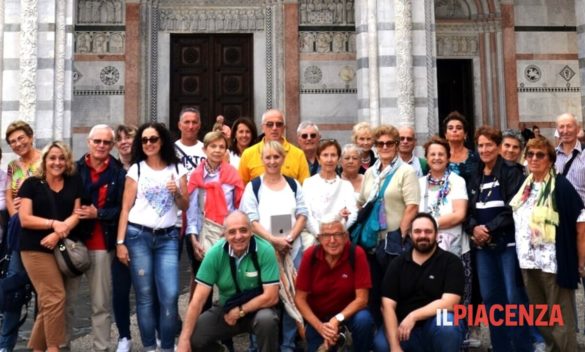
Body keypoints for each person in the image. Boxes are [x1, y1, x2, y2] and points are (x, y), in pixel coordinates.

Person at [116, 122, 188, 352]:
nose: (149, 143)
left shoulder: (177, 170)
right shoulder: (136, 170)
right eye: (144, 140)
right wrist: (120, 243)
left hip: (168, 237)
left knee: (170, 294)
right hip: (138, 236)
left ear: (163, 141)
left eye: (153, 139)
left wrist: (176, 191)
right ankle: (149, 347)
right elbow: (125, 209)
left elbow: (184, 205)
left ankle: (166, 347)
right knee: (145, 296)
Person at [511, 137, 585, 351]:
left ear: (550, 160)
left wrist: (581, 261)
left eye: (540, 155)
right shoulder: (524, 186)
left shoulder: (560, 186)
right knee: (541, 317)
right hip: (528, 262)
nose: (534, 159)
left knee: (561, 320)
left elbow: (580, 225)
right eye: (530, 154)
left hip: (554, 264)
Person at [465, 126, 533, 351]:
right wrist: (475, 228)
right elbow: (468, 210)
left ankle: (522, 346)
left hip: (507, 244)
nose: (484, 149)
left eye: (489, 145)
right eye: (481, 145)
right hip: (483, 248)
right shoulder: (474, 174)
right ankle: (500, 346)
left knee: (514, 298)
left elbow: (513, 207)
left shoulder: (512, 171)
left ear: (497, 147)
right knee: (492, 299)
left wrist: (488, 229)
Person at [177, 211, 280, 352]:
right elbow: (198, 300)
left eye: (243, 230)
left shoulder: (265, 250)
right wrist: (183, 339)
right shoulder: (215, 253)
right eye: (232, 232)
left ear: (251, 231)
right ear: (224, 234)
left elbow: (272, 296)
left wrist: (240, 311)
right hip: (226, 307)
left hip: (258, 308)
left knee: (267, 320)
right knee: (193, 335)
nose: (238, 236)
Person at [240, 140, 308, 352]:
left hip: (291, 250)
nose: (272, 161)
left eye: (276, 157)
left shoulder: (294, 184)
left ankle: (287, 345)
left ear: (283, 159)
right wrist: (273, 240)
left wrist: (289, 239)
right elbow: (251, 220)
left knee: (291, 298)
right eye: (268, 157)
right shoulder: (254, 186)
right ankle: (256, 346)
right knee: (261, 298)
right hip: (263, 252)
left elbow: (302, 214)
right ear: (262, 160)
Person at [19, 141, 82, 352]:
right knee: (55, 297)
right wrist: (53, 224)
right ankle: (53, 348)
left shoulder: (73, 182)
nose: (57, 162)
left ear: (67, 161)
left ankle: (38, 349)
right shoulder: (31, 184)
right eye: (52, 158)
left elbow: (77, 213)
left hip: (59, 246)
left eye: (61, 158)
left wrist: (57, 233)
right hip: (34, 247)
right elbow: (25, 219)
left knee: (49, 301)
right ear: (45, 160)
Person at [69, 124, 125, 352]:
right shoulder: (73, 169)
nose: (101, 146)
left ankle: (101, 349)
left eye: (106, 142)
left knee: (100, 304)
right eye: (97, 141)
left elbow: (122, 209)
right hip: (73, 242)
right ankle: (62, 346)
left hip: (102, 244)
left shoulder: (119, 172)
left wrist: (97, 213)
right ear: (88, 142)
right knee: (66, 301)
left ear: (112, 145)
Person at [374, 213, 465, 352]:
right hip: (404, 330)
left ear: (436, 234)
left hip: (435, 326)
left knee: (448, 324)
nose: (423, 235)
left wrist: (414, 316)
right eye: (417, 231)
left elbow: (450, 303)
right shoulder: (397, 264)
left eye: (428, 231)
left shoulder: (451, 262)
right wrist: (395, 347)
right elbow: (387, 305)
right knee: (382, 344)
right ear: (410, 234)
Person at [357, 124, 420, 325]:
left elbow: (412, 207)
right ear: (375, 146)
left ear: (396, 145)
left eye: (389, 143)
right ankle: (378, 338)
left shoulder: (406, 171)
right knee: (374, 292)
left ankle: (398, 335)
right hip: (371, 245)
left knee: (395, 292)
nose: (384, 147)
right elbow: (362, 202)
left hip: (393, 245)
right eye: (380, 143)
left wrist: (399, 236)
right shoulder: (370, 173)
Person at [295, 214, 374, 352]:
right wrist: (321, 327)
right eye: (326, 235)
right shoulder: (310, 256)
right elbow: (300, 299)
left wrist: (337, 319)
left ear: (345, 236)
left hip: (350, 314)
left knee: (364, 320)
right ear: (319, 238)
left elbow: (362, 299)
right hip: (320, 318)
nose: (332, 240)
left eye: (337, 234)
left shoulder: (356, 254)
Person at [0, 121, 41, 352]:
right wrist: (19, 218)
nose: (18, 144)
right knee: (13, 292)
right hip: (19, 237)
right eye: (13, 141)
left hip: (43, 235)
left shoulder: (46, 161)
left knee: (43, 292)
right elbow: (8, 197)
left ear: (31, 136)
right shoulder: (12, 166)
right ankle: (5, 346)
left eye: (20, 138)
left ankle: (39, 345)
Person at [186, 130, 244, 280]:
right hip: (204, 232)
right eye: (213, 146)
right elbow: (192, 212)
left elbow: (239, 208)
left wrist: (235, 232)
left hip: (228, 233)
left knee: (230, 280)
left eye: (221, 147)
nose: (217, 150)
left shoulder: (233, 174)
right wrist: (194, 240)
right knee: (205, 281)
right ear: (205, 149)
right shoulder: (196, 176)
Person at [418, 136, 470, 299]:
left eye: (441, 154)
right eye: (432, 154)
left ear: (448, 158)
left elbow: (459, 214)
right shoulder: (418, 183)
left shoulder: (457, 181)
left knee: (453, 292)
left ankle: (458, 324)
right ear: (426, 158)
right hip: (424, 246)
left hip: (454, 246)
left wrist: (430, 224)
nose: (437, 158)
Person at [112, 124, 137, 352]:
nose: (124, 141)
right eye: (119, 138)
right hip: (117, 236)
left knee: (149, 288)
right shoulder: (112, 167)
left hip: (143, 235)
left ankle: (157, 332)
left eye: (128, 136)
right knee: (120, 289)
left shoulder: (146, 165)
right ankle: (124, 335)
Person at [302, 139, 357, 242]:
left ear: (339, 159)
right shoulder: (308, 183)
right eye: (325, 155)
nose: (329, 159)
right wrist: (320, 234)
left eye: (333, 155)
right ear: (318, 159)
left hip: (340, 238)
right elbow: (307, 213)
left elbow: (352, 214)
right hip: (315, 238)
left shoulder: (346, 186)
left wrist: (337, 233)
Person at [238, 109, 309, 184]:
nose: (274, 128)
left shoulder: (298, 154)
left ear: (284, 128)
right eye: (270, 124)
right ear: (262, 127)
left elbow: (305, 187)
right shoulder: (248, 154)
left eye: (278, 124)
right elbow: (241, 186)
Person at [443, 111, 479, 182]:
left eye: (459, 128)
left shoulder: (475, 158)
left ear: (465, 134)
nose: (454, 130)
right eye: (450, 128)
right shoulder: (440, 157)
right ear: (446, 135)